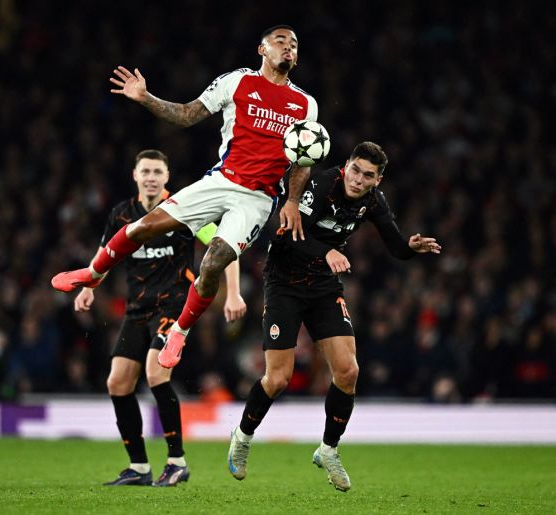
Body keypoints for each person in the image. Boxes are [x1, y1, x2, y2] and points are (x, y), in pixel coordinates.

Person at [51, 25, 318, 369]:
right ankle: (93, 272)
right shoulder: (236, 82)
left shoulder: (305, 105)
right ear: (262, 49)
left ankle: (179, 330)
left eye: (294, 44)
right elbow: (188, 114)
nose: (288, 47)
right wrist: (146, 98)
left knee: (212, 262)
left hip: (258, 198)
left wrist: (293, 201)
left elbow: (304, 161)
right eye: (280, 41)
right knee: (144, 227)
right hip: (220, 181)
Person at [227, 141, 441, 491]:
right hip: (284, 282)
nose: (357, 180)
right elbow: (290, 236)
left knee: (348, 371)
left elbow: (396, 246)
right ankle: (243, 436)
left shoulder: (373, 201)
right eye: (355, 170)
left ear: (378, 180)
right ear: (347, 165)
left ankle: (328, 450)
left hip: (323, 286)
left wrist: (410, 248)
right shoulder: (321, 186)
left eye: (367, 175)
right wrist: (326, 251)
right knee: (278, 378)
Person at [74, 149, 246, 487]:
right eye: (145, 171)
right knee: (118, 383)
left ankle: (176, 461)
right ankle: (139, 466)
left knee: (155, 373)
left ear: (167, 177)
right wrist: (88, 285)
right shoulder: (122, 214)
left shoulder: (185, 210)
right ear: (135, 176)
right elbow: (106, 252)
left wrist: (234, 292)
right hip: (136, 309)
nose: (151, 177)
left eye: (157, 171)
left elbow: (228, 247)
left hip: (174, 306)